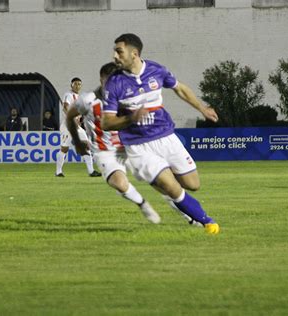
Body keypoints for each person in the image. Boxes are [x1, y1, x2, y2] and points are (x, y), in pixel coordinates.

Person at [102, 34, 220, 234]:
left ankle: (160, 177)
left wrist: (202, 108)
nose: (114, 55)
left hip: (166, 138)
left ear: (134, 53)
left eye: (119, 51)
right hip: (138, 145)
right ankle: (207, 221)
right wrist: (130, 119)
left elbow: (180, 88)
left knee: (193, 184)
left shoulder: (156, 70)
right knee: (172, 188)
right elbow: (106, 122)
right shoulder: (114, 83)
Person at [67, 62, 160, 224]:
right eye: (107, 81)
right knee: (119, 183)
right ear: (101, 80)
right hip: (105, 151)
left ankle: (189, 214)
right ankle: (142, 204)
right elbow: (69, 116)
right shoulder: (88, 100)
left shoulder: (129, 96)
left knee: (161, 180)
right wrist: (77, 141)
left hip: (130, 145)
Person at [56, 77, 101, 177]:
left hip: (77, 126)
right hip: (68, 125)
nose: (77, 86)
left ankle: (91, 171)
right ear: (71, 85)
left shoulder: (79, 97)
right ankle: (58, 171)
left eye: (79, 84)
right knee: (64, 149)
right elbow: (65, 107)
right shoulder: (68, 94)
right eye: (75, 84)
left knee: (86, 146)